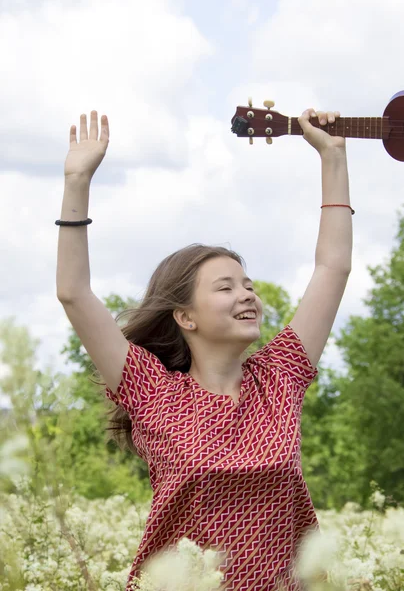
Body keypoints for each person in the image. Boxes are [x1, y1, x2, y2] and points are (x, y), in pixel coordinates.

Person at [56, 109, 353, 590]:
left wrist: (333, 157)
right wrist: (76, 182)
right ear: (185, 316)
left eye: (249, 285)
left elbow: (332, 269)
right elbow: (74, 293)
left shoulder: (280, 377)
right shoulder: (151, 390)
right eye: (225, 287)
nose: (248, 295)